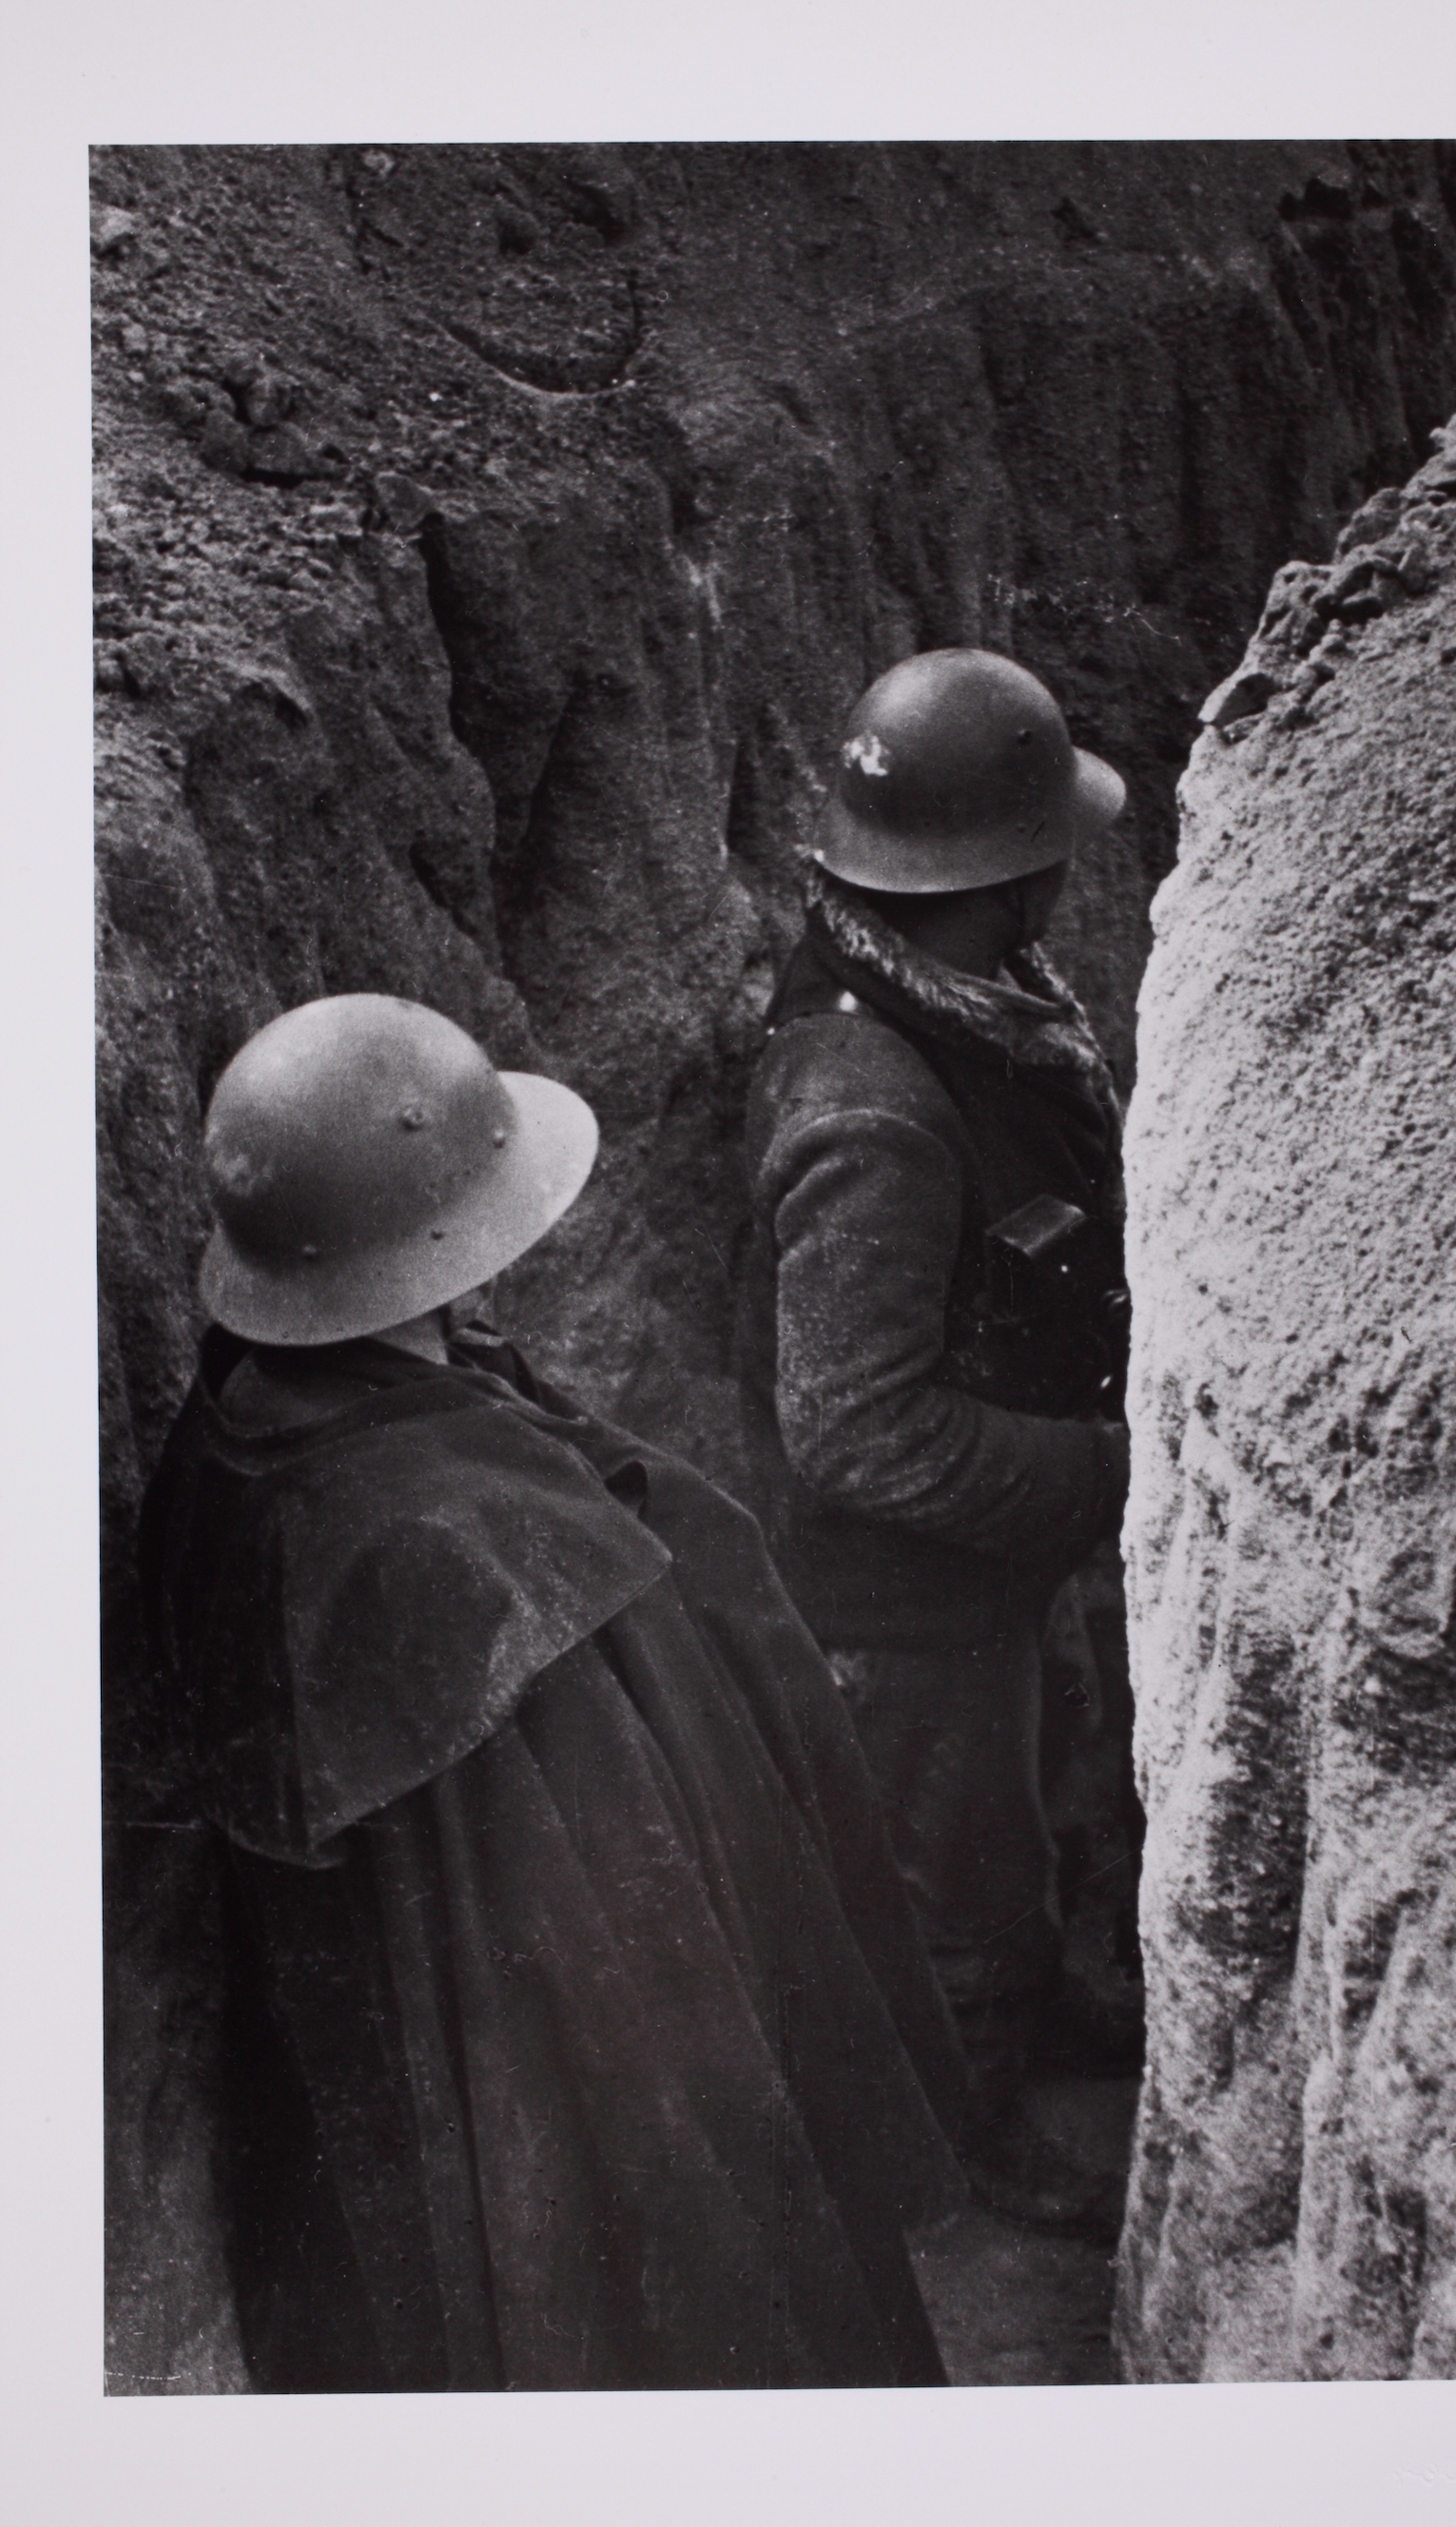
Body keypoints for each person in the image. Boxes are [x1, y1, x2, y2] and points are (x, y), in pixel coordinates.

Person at [140, 991, 973, 2393]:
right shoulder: (451, 1555)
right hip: (559, 2100)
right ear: (438, 1245)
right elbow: (631, 1992)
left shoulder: (239, 1429)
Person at [737, 649, 1134, 2234]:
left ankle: (1036, 2019)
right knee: (952, 1892)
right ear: (1012, 878)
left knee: (1027, 1806)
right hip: (898, 1602)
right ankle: (967, 2135)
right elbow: (853, 1428)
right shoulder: (875, 1108)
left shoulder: (951, 994)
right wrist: (1118, 1479)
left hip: (984, 1554)